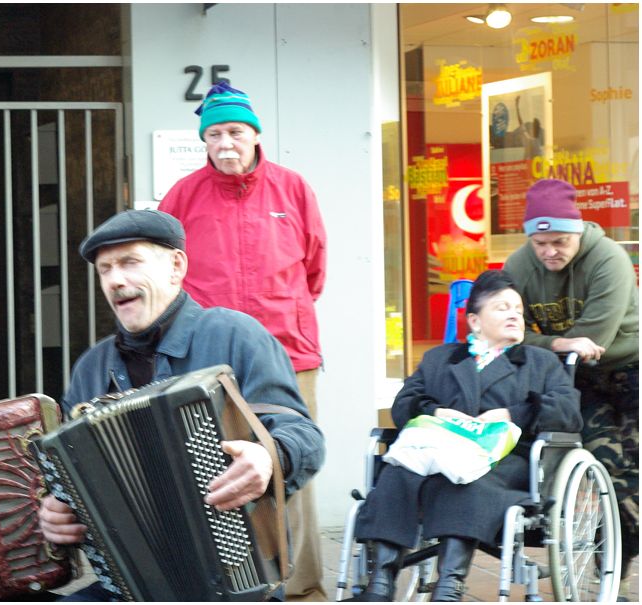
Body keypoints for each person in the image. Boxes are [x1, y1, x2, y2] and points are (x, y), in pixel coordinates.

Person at [38, 209, 326, 600]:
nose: (115, 280)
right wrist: (56, 513)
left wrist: (268, 458)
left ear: (176, 266)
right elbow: (66, 478)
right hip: (131, 585)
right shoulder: (91, 368)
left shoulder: (236, 335)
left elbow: (304, 435)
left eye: (129, 262)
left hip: (236, 583)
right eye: (105, 270)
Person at [158, 81, 328, 601]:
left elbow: (315, 265)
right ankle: (226, 581)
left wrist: (288, 310)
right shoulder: (182, 196)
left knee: (289, 464)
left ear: (256, 135)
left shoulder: (293, 188)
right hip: (207, 358)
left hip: (288, 351)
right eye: (214, 134)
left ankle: (298, 586)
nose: (224, 143)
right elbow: (165, 274)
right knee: (211, 466)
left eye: (234, 131)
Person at [349, 270, 581, 601]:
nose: (515, 314)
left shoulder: (539, 362)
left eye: (517, 307)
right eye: (502, 307)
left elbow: (568, 411)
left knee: (466, 480)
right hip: (436, 452)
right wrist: (435, 412)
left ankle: (449, 586)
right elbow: (404, 405)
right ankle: (380, 584)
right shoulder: (440, 359)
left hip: (505, 462)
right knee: (397, 472)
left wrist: (512, 414)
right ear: (474, 321)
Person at [503, 178, 639, 597]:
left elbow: (594, 338)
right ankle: (619, 545)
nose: (549, 252)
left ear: (578, 231)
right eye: (540, 243)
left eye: (560, 241)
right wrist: (559, 343)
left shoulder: (608, 259)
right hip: (575, 370)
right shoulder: (519, 266)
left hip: (628, 363)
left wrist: (549, 343)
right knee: (606, 459)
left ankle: (621, 541)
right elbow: (508, 331)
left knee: (632, 460)